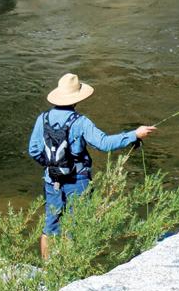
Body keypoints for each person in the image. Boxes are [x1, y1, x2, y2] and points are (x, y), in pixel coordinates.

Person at [28, 73, 156, 259]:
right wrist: (134, 134)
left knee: (50, 226)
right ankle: (69, 270)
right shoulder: (81, 122)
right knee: (75, 226)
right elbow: (103, 143)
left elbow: (33, 150)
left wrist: (51, 167)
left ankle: (48, 271)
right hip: (78, 181)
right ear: (77, 98)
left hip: (52, 180)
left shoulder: (43, 118)